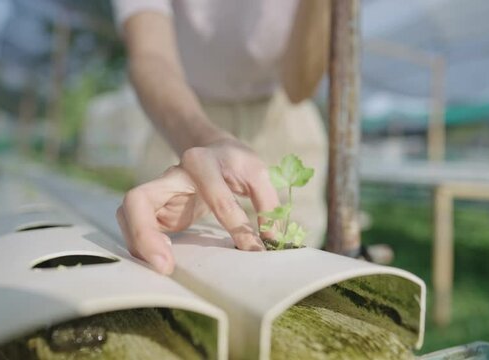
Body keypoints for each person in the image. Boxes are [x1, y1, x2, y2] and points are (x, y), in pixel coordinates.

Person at [112, 0, 330, 275]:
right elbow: (150, 54)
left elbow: (299, 87)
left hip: (281, 117)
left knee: (294, 273)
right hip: (182, 113)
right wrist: (205, 140)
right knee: (188, 268)